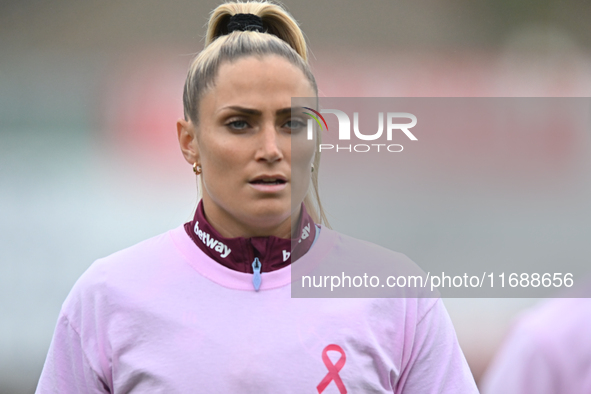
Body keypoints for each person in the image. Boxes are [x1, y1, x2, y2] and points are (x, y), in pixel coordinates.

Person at [36, 1, 478, 392]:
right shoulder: (109, 296)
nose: (271, 149)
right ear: (189, 141)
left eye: (292, 124)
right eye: (240, 123)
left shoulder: (397, 295)